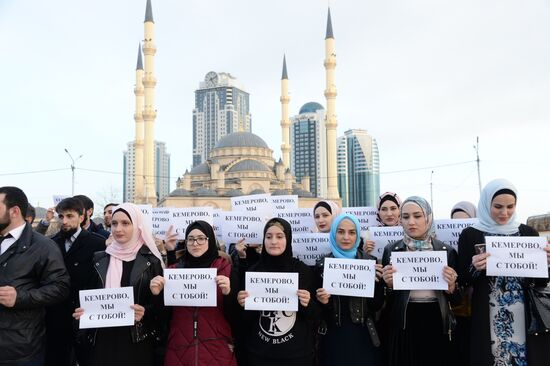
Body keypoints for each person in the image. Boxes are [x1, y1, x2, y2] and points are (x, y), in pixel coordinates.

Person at [457, 179, 550, 366]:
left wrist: (546, 263)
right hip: (488, 314)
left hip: (524, 314)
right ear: (486, 203)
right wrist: (474, 268)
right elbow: (463, 280)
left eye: (510, 206)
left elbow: (539, 282)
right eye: (497, 206)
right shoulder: (470, 235)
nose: (504, 213)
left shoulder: (528, 233)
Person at [73, 203, 164, 366]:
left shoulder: (151, 261)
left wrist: (145, 312)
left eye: (125, 223)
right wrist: (83, 312)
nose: (118, 229)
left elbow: (161, 309)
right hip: (101, 340)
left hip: (136, 341)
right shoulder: (99, 259)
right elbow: (88, 295)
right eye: (114, 223)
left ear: (137, 225)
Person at [382, 196, 458, 366]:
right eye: (406, 216)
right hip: (404, 322)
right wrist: (388, 285)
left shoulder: (446, 251)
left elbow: (458, 300)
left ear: (428, 217)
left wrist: (452, 286)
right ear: (400, 220)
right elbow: (386, 300)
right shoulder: (392, 250)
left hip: (436, 319)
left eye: (417, 216)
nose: (411, 222)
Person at [149, 220, 236, 366]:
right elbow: (163, 317)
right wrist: (157, 295)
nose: (195, 243)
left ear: (211, 240)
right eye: (190, 239)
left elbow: (237, 318)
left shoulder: (227, 270)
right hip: (179, 351)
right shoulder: (173, 272)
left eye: (201, 238)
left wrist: (229, 294)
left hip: (217, 351)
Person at [0, 186, 70, 365]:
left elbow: (60, 287)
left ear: (14, 211)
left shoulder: (43, 246)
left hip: (19, 349)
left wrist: (20, 297)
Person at [236, 218, 320, 366]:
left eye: (280, 236)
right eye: (268, 237)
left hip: (297, 357)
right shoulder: (253, 272)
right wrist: (242, 305)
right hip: (259, 356)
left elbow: (317, 316)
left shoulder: (303, 271)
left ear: (288, 238)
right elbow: (243, 322)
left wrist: (308, 303)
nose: (273, 241)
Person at [315, 213, 384, 365]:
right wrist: (323, 302)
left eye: (352, 232)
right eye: (340, 232)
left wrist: (379, 284)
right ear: (333, 234)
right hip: (334, 338)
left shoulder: (370, 262)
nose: (346, 237)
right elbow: (318, 312)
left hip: (363, 336)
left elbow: (376, 306)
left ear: (358, 235)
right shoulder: (322, 265)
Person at [46, 197, 106, 366]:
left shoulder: (98, 243)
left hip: (87, 316)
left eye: (70, 216)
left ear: (81, 217)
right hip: (55, 317)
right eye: (61, 216)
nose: (64, 221)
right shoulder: (50, 244)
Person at [448, 200, 477, 366]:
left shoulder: (478, 239)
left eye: (464, 221)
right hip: (457, 309)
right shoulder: (445, 248)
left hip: (475, 305)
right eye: (455, 222)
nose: (459, 227)